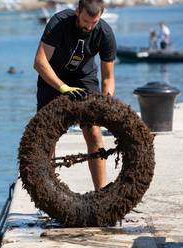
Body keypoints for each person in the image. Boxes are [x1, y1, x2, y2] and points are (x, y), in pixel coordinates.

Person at [33, 0, 116, 190]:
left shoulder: (105, 33)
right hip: (53, 77)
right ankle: (49, 191)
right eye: (86, 21)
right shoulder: (59, 22)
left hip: (84, 79)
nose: (88, 27)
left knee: (94, 132)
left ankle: (101, 191)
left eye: (93, 23)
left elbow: (108, 78)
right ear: (77, 11)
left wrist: (106, 101)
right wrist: (62, 88)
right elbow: (39, 62)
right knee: (48, 135)